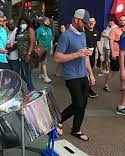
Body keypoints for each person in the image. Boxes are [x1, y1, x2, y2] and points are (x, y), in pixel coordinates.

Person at [54, 9, 96, 141]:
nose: (85, 25)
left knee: (83, 104)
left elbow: (85, 56)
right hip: (71, 75)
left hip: (82, 73)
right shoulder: (66, 36)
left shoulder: (82, 34)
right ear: (76, 20)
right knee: (78, 103)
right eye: (83, 22)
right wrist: (77, 54)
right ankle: (58, 120)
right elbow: (57, 57)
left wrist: (91, 73)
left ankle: (76, 129)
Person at [103, 15, 125, 92]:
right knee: (114, 70)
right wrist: (112, 53)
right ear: (118, 21)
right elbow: (111, 41)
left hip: (124, 54)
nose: (122, 21)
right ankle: (106, 84)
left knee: (123, 70)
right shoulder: (114, 30)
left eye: (124, 20)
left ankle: (123, 87)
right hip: (116, 53)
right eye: (121, 20)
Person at [15, 18, 37, 92]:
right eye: (21, 23)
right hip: (20, 55)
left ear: (27, 23)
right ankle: (31, 87)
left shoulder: (30, 30)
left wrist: (29, 54)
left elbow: (32, 43)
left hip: (28, 55)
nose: (22, 24)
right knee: (22, 73)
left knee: (27, 73)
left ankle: (32, 90)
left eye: (23, 23)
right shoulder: (19, 31)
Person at [84, 15, 103, 98]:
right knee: (86, 72)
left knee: (90, 71)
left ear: (95, 22)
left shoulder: (96, 32)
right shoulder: (83, 32)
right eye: (90, 21)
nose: (91, 23)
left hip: (92, 55)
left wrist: (101, 54)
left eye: (93, 22)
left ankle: (86, 88)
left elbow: (98, 43)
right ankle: (88, 90)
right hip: (84, 55)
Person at [36, 17, 54, 83]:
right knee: (44, 62)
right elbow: (36, 40)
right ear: (43, 22)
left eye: (48, 21)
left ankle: (41, 74)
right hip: (42, 49)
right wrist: (37, 49)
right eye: (46, 21)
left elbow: (51, 39)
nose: (48, 22)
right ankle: (46, 77)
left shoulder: (49, 30)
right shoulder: (39, 30)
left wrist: (52, 49)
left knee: (44, 62)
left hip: (48, 49)